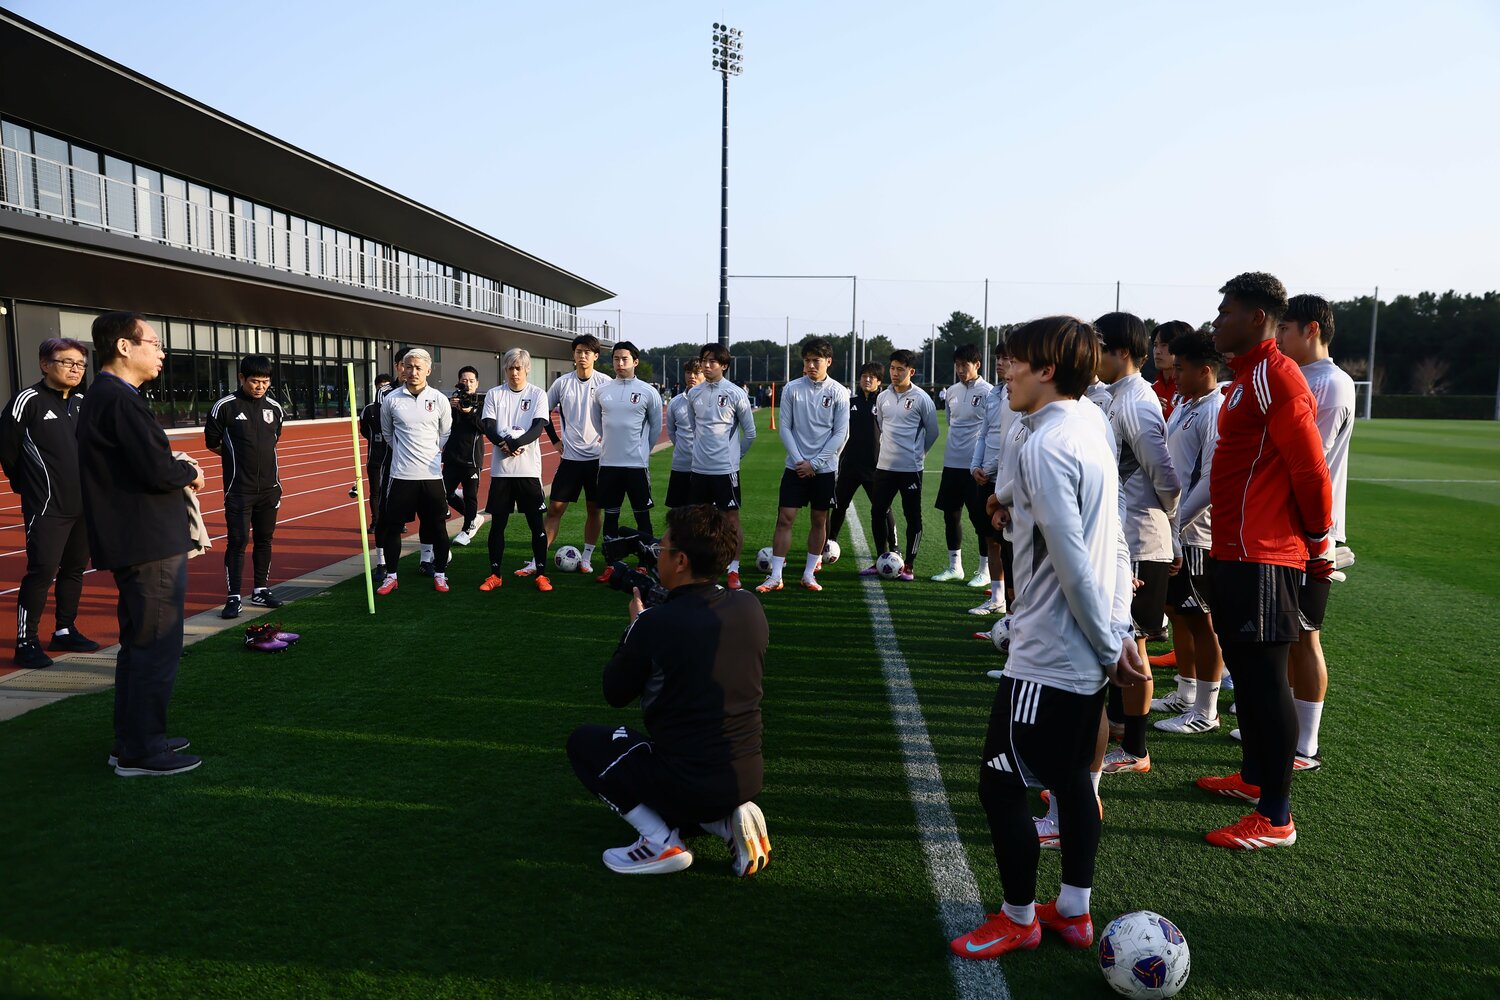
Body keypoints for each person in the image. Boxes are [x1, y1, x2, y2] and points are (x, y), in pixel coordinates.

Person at [951, 316, 1145, 960]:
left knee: (1000, 785)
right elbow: (1111, 540)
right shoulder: (1088, 422)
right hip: (1083, 645)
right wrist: (1116, 629)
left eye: (1015, 361)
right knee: (1072, 781)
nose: (1003, 369)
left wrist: (1104, 641)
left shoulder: (1046, 443)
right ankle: (1074, 912)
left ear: (1049, 370)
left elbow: (1071, 559)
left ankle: (1017, 917)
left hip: (1051, 651)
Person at [1196, 272, 1332, 850]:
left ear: (1257, 318)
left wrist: (1320, 541)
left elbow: (1309, 466)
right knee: (1248, 682)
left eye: (1225, 311)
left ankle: (1276, 816)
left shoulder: (1278, 375)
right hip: (1233, 550)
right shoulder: (1248, 377)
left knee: (1263, 680)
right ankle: (1254, 779)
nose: (1216, 321)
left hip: (1265, 555)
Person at [566, 503, 771, 876]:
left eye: (662, 550)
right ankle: (727, 821)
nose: (656, 557)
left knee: (585, 743)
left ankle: (660, 842)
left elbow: (614, 692)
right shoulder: (750, 605)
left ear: (680, 562)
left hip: (690, 780)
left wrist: (634, 628)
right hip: (747, 774)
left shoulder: (655, 625)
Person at [77, 311, 204, 777]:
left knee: (139, 644)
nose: (161, 351)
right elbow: (155, 470)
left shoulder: (108, 397)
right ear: (125, 347)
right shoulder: (119, 399)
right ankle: (142, 751)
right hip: (147, 542)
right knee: (155, 644)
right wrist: (188, 470)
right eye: (153, 342)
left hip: (136, 539)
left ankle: (132, 738)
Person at [1269, 293, 1356, 770]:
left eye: (1285, 329)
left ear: (1311, 329)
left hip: (1313, 534)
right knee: (1286, 633)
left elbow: (1308, 461)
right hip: (1287, 529)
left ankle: (1306, 745)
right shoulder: (1303, 378)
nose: (1278, 337)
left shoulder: (1332, 384)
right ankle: (1288, 729)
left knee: (1306, 636)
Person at [1095, 312, 1180, 776]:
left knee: (1136, 642)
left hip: (1142, 538)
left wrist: (1171, 529)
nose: (1093, 356)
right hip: (1123, 535)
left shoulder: (1136, 401)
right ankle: (1120, 726)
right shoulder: (1115, 397)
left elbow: (1165, 476)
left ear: (1121, 352)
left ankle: (1136, 750)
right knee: (1119, 636)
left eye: (1099, 347)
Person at [1, 337, 100, 668]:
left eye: (81, 364)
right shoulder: (26, 401)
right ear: (45, 364)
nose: (75, 369)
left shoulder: (85, 403)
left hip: (84, 507)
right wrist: (27, 486)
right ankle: (25, 641)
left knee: (74, 569)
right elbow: (7, 450)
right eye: (67, 362)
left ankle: (64, 629)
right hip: (47, 507)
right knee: (41, 571)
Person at [1151, 329, 1226, 735]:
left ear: (1207, 370)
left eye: (1182, 368)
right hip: (1174, 528)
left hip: (1195, 534)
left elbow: (1212, 479)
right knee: (1180, 614)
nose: (1174, 374)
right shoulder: (1185, 404)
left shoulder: (1214, 410)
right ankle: (1185, 692)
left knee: (1202, 620)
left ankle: (1206, 710)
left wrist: (1179, 523)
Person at [757, 337, 849, 594]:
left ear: (828, 362)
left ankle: (809, 573)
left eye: (815, 361)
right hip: (795, 467)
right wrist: (800, 461)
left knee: (819, 520)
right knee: (784, 518)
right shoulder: (792, 389)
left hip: (824, 469)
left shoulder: (840, 392)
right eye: (807, 360)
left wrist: (816, 463)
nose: (810, 365)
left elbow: (840, 434)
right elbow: (785, 428)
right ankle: (775, 575)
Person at [204, 355, 285, 619]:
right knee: (238, 541)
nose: (260, 387)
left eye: (265, 382)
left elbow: (274, 440)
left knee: (264, 539)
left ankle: (261, 589)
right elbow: (213, 442)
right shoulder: (224, 407)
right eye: (254, 381)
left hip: (269, 488)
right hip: (239, 489)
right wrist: (236, 457)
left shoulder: (275, 408)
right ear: (241, 378)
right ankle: (234, 596)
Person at [376, 348, 452, 595]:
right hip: (401, 475)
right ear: (402, 369)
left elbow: (445, 432)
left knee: (438, 527)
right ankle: (392, 576)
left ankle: (440, 574)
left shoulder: (439, 399)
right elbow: (388, 434)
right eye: (409, 367)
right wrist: (405, 454)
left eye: (419, 368)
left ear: (428, 370)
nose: (413, 372)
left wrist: (431, 451)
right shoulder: (392, 399)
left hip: (431, 476)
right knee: (392, 526)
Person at [478, 349, 553, 593]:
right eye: (510, 368)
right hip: (502, 472)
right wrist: (505, 443)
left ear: (527, 369)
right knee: (498, 525)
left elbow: (538, 427)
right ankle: (495, 574)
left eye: (518, 368)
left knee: (536, 525)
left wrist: (516, 443)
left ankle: (541, 574)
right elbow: (487, 425)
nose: (514, 372)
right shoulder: (494, 394)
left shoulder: (538, 394)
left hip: (528, 471)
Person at [862, 349, 938, 581]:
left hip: (910, 469)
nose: (895, 373)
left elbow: (932, 432)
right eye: (893, 368)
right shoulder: (882, 397)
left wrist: (918, 455)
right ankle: (881, 558)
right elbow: (882, 425)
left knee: (912, 516)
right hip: (884, 467)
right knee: (877, 512)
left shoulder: (922, 399)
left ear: (911, 372)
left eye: (900, 369)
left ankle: (909, 566)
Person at [685, 343, 756, 589]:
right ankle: (700, 569)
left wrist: (734, 459)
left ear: (724, 365)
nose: (706, 365)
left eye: (712, 361)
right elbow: (695, 429)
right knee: (697, 521)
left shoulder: (736, 393)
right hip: (699, 469)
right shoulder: (693, 394)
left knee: (731, 519)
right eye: (704, 360)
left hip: (726, 471)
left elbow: (750, 433)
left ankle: (733, 570)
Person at [541, 334, 612, 575]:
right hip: (570, 459)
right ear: (573, 355)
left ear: (595, 356)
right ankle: (537, 559)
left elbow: (615, 415)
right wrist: (555, 441)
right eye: (578, 351)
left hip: (597, 460)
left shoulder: (605, 383)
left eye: (587, 352)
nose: (582, 356)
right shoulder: (562, 384)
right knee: (555, 509)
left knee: (594, 509)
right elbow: (544, 413)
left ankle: (587, 558)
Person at [592, 341, 663, 568]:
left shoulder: (648, 392)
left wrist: (642, 451)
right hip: (609, 465)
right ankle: (612, 565)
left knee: (642, 516)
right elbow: (597, 423)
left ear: (635, 361)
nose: (620, 363)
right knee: (611, 516)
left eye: (624, 359)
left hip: (636, 466)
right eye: (616, 359)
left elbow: (655, 427)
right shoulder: (602, 391)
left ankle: (645, 563)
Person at [932, 344, 993, 585]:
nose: (959, 369)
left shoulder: (989, 392)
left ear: (977, 365)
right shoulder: (952, 392)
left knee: (980, 519)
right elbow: (951, 421)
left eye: (964, 365)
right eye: (957, 365)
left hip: (975, 468)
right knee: (951, 516)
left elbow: (989, 430)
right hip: (951, 464)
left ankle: (985, 571)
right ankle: (954, 567)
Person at [826, 362, 895, 549]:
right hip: (849, 465)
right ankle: (829, 542)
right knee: (839, 505)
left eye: (872, 376)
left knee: (883, 508)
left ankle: (893, 546)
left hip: (875, 467)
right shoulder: (850, 403)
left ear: (879, 381)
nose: (867, 379)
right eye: (864, 375)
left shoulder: (884, 403)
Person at [968, 338, 1015, 615]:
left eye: (1006, 357)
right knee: (989, 539)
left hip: (1004, 478)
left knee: (1007, 543)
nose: (1000, 362)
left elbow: (1014, 438)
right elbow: (984, 433)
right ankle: (997, 598)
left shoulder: (1017, 394)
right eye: (998, 357)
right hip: (985, 476)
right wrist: (976, 465)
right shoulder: (994, 394)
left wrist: (994, 468)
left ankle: (1010, 604)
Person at [446, 365, 487, 547]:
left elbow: (484, 428)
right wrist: (450, 408)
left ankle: (467, 529)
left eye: (471, 381)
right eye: (464, 381)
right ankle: (474, 518)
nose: (468, 384)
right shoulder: (452, 403)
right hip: (452, 457)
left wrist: (469, 412)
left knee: (471, 496)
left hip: (471, 458)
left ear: (477, 384)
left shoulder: (483, 404)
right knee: (444, 493)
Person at [358, 372, 394, 575]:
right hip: (375, 458)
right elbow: (364, 430)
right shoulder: (369, 410)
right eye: (380, 386)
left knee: (391, 494)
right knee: (376, 492)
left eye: (386, 386)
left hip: (393, 459)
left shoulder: (394, 406)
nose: (384, 389)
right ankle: (375, 520)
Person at [663, 359, 705, 508]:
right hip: (681, 465)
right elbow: (671, 432)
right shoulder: (675, 402)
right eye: (688, 372)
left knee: (703, 515)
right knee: (678, 514)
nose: (692, 376)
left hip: (705, 467)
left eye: (697, 372)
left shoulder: (711, 401)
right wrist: (682, 448)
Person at [1151, 322, 1191, 421]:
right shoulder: (1151, 389)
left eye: (1164, 345)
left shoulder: (1193, 389)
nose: (1157, 351)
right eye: (1155, 345)